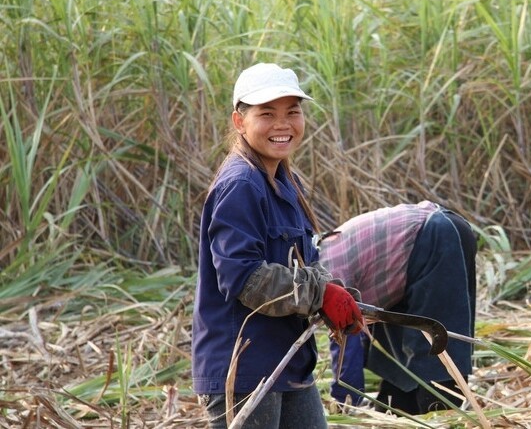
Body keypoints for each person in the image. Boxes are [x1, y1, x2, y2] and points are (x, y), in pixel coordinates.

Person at [192, 62, 363, 428]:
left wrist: (331, 292)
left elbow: (306, 261)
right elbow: (243, 279)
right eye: (267, 114)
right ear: (240, 121)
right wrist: (319, 296)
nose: (282, 124)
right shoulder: (241, 185)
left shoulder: (288, 181)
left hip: (288, 362)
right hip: (244, 371)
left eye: (292, 112)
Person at [320, 201, 477, 415]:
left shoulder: (325, 273)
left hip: (436, 235)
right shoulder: (319, 255)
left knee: (434, 346)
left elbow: (346, 341)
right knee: (393, 353)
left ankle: (441, 415)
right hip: (411, 259)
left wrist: (345, 402)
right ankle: (398, 411)